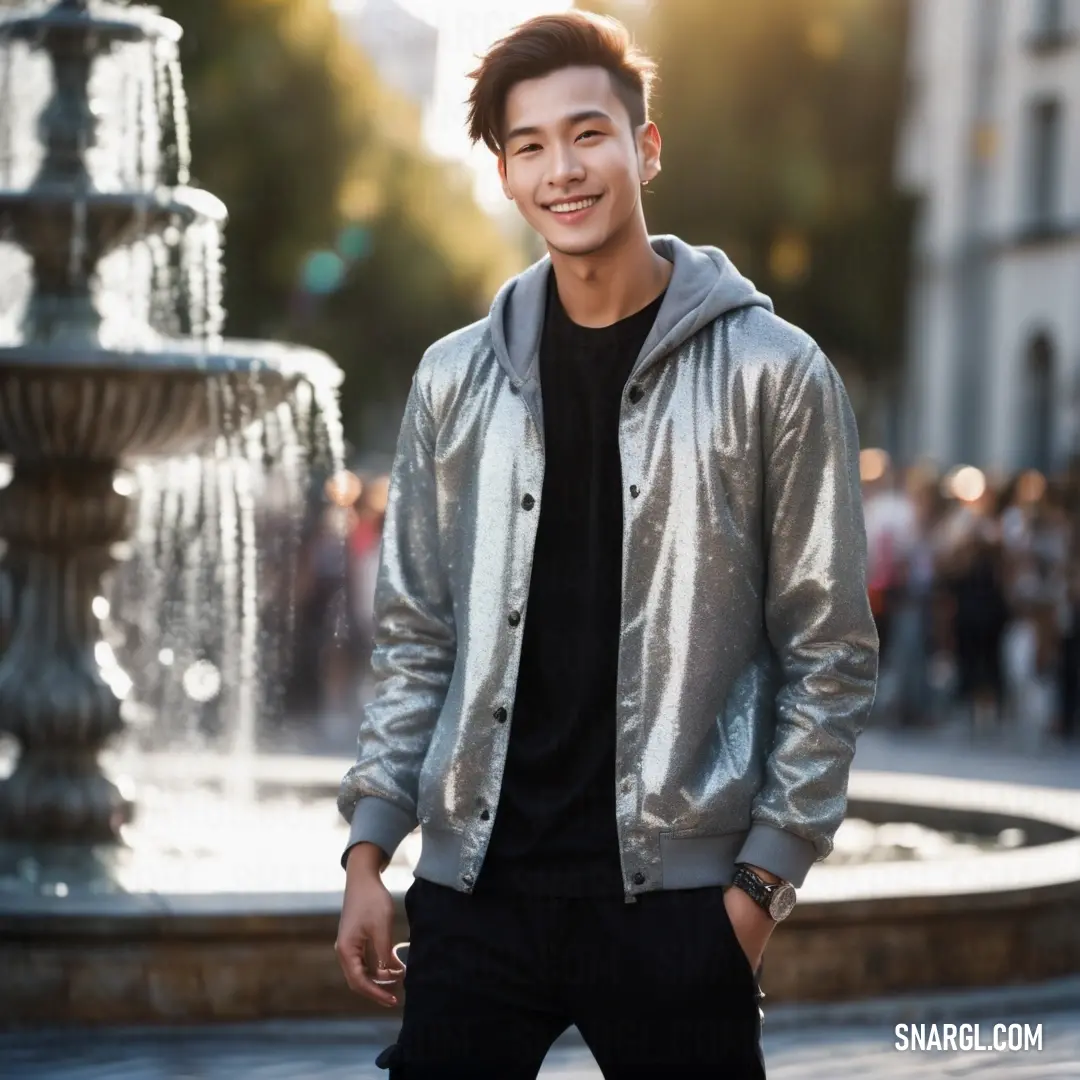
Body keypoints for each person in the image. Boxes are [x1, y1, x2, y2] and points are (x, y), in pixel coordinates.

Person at [335, 12, 878, 1078]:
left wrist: (758, 892)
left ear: (647, 146)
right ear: (501, 173)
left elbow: (831, 650)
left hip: (678, 915)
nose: (562, 170)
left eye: (588, 134)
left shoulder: (777, 371)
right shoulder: (455, 379)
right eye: (528, 146)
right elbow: (415, 635)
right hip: (475, 899)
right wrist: (369, 850)